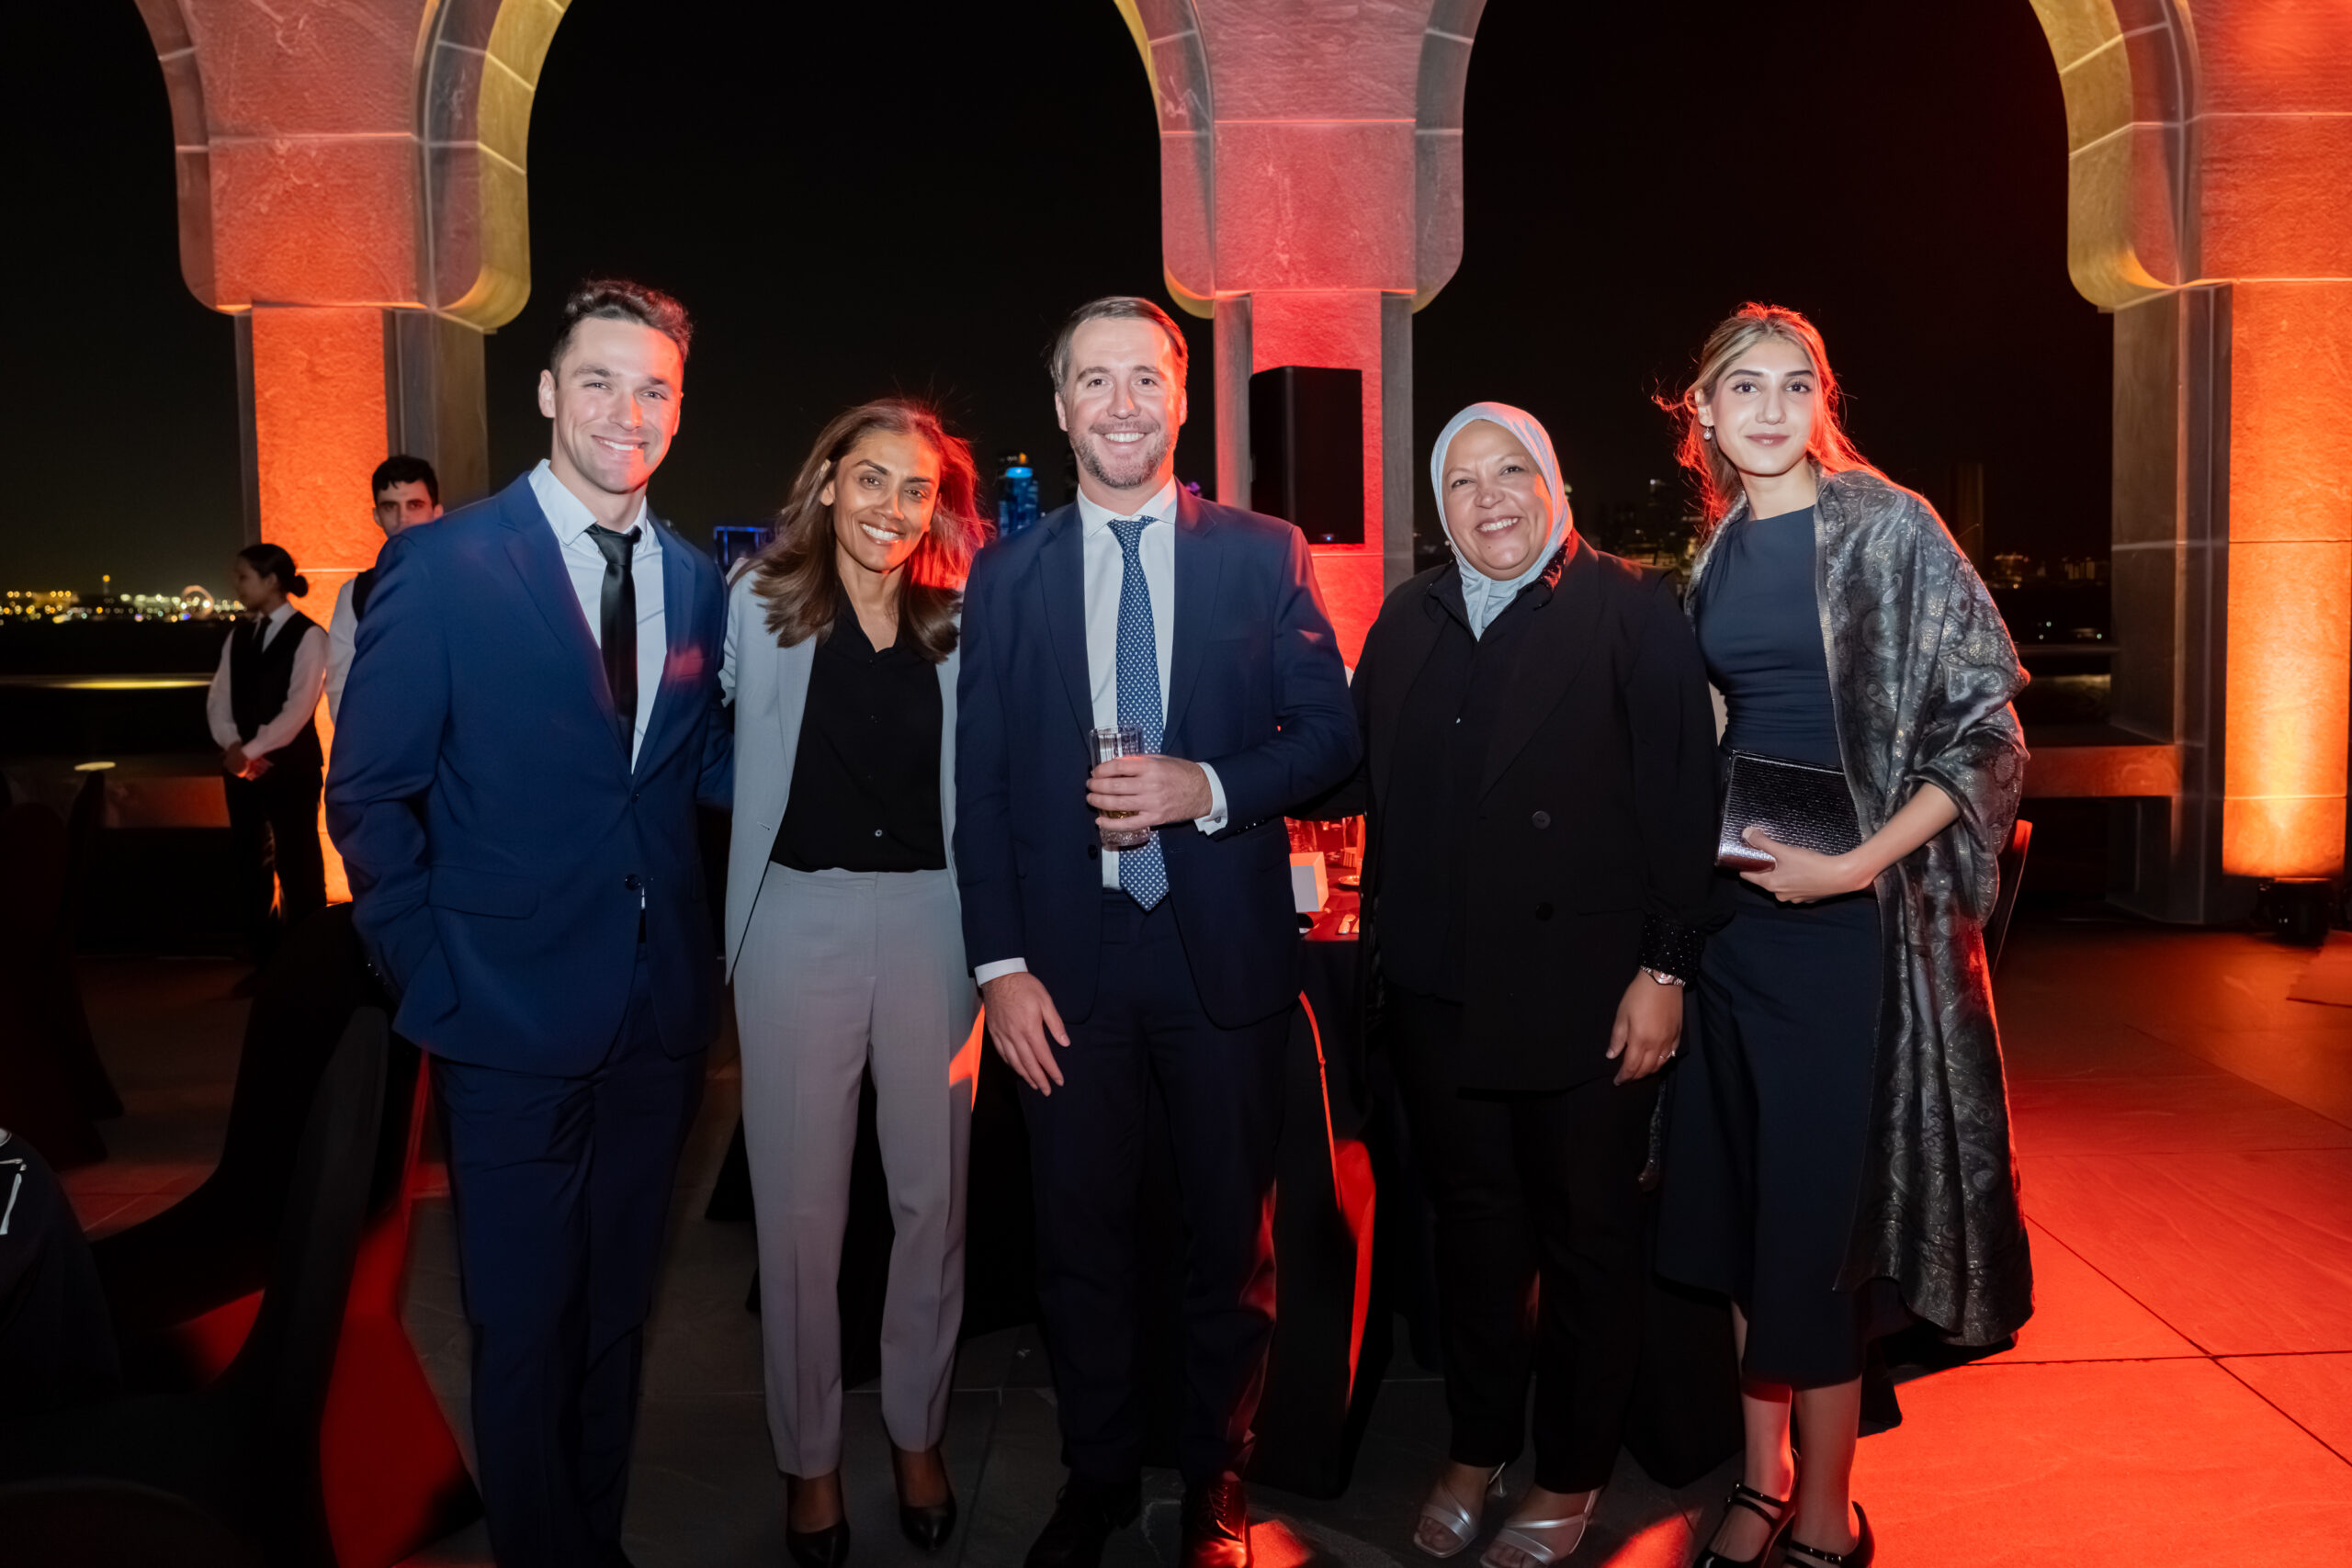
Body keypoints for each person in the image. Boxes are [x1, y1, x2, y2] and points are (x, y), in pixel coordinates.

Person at [326, 278, 732, 1568]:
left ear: (678, 408)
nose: (627, 411)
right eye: (600, 381)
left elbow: (683, 778)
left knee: (615, 1318)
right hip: (499, 1011)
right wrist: (429, 972)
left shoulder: (696, 580)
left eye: (654, 388)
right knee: (521, 1321)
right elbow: (369, 792)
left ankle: (593, 1543)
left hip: (657, 1020)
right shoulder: (442, 565)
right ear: (550, 390)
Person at [956, 296, 1359, 1568]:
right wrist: (999, 968)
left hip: (1220, 957)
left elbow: (1331, 735)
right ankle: (1096, 1475)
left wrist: (1210, 785)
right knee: (1076, 1241)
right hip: (1064, 968)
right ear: (1061, 407)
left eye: (1144, 378)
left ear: (1181, 400)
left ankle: (1215, 1479)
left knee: (1228, 1240)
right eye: (1095, 380)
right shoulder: (1005, 574)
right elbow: (980, 788)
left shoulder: (1263, 553)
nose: (1121, 403)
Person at [1306, 403, 1716, 1567]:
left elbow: (1683, 802)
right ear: (1440, 508)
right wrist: (1218, 772)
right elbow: (1350, 768)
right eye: (1463, 481)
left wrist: (1665, 969)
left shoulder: (1630, 607)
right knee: (1474, 1235)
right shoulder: (1409, 617)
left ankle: (1572, 1468)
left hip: (1588, 994)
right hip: (1439, 990)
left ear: (1553, 482)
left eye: (1511, 471)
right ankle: (1477, 1443)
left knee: (1587, 1238)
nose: (1489, 497)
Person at [1655, 304, 2031, 1568]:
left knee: (1819, 1229)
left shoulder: (1889, 526)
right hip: (1734, 928)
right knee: (1744, 1210)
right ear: (1701, 413)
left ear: (1822, 401)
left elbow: (1987, 732)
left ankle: (1826, 1504)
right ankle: (1759, 1479)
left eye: (1794, 384)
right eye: (1742, 387)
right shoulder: (1716, 549)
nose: (1769, 409)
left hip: (1850, 934)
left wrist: (1856, 867)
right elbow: (1724, 722)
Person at [720, 400, 989, 1566]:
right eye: (870, 478)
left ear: (936, 509)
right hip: (795, 920)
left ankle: (918, 1433)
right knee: (798, 1217)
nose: (891, 506)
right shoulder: (758, 604)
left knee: (933, 1204)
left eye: (915, 488)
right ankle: (811, 1458)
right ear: (828, 482)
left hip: (935, 923)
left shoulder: (959, 624)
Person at [206, 541, 329, 972]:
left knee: (299, 862)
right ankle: (265, 963)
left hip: (292, 768)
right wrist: (233, 747)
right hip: (243, 766)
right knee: (249, 863)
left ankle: (309, 964)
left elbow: (298, 709)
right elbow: (218, 698)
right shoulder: (239, 635)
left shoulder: (310, 635)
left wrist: (247, 752)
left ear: (272, 580)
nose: (237, 585)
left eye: (243, 577)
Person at [327, 455, 443, 723]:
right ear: (377, 516)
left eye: (415, 505)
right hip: (385, 734)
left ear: (436, 512)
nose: (403, 518)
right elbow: (340, 679)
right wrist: (357, 738)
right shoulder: (357, 591)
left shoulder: (468, 580)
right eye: (390, 507)